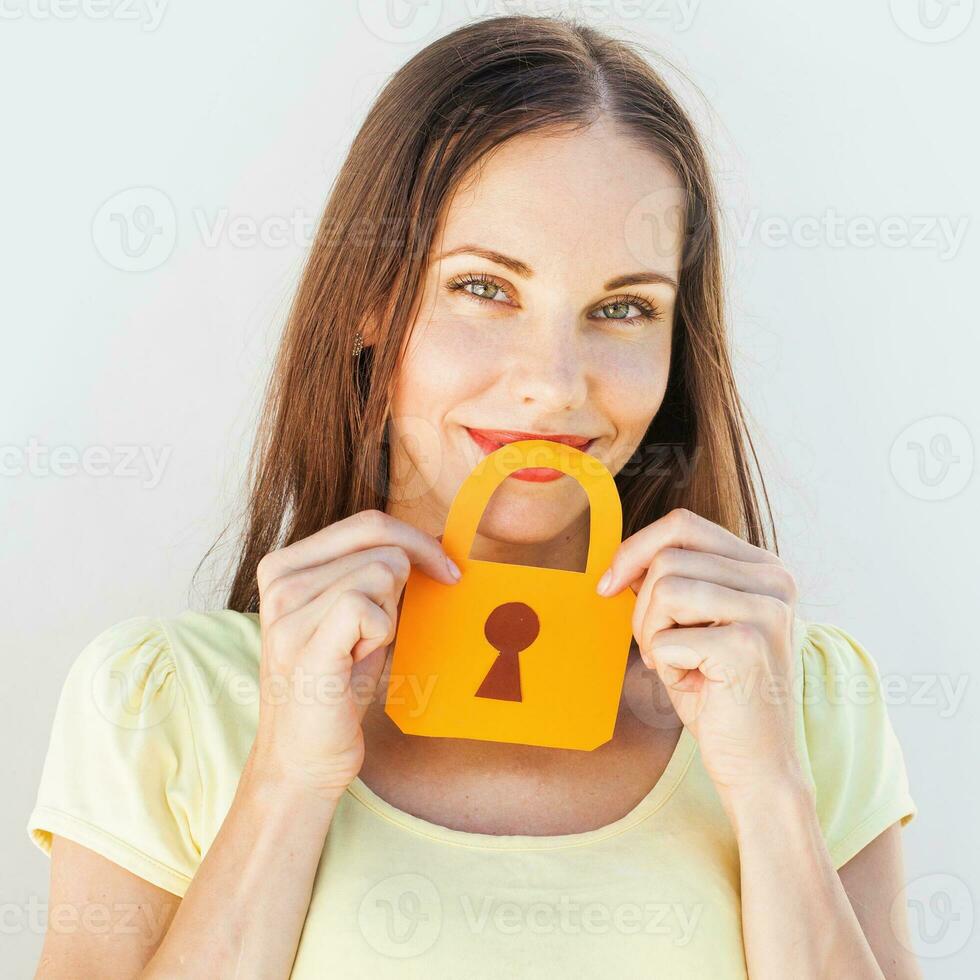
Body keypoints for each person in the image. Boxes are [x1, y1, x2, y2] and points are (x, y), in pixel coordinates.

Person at [28, 14, 919, 978]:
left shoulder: (806, 696)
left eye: (623, 308)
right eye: (485, 288)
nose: (554, 382)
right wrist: (287, 779)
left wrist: (772, 790)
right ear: (373, 301)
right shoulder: (165, 702)